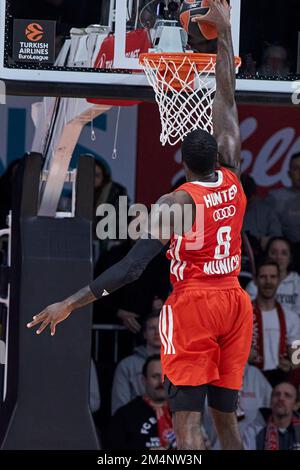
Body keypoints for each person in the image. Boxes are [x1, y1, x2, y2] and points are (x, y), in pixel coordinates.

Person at [27, 0, 252, 450]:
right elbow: (226, 95)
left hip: (196, 307)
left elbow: (130, 269)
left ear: (181, 160)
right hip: (236, 303)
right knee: (226, 421)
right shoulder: (234, 174)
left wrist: (70, 303)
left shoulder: (177, 202)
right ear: (219, 157)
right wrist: (223, 34)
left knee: (187, 425)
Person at [108, 355, 176, 450]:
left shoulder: (183, 412)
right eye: (155, 376)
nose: (161, 381)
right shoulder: (124, 416)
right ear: (143, 380)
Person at [250, 260, 300, 387]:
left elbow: (297, 358)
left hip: (280, 381)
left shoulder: (292, 317)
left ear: (279, 280)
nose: (268, 282)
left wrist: (291, 365)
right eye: (263, 277)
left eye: (273, 277)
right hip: (249, 380)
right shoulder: (242, 315)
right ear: (255, 280)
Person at [111, 312, 161, 415]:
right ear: (145, 334)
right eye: (152, 328)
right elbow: (119, 407)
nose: (157, 332)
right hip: (135, 424)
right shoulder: (126, 365)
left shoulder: (179, 365)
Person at [247, 238, 300, 319]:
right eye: (274, 252)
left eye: (284, 253)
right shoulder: (254, 284)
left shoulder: (297, 283)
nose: (278, 257)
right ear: (267, 255)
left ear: (290, 258)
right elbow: (250, 314)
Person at [243, 382, 300, 450]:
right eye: (277, 394)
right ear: (270, 402)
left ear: (296, 405)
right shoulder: (254, 431)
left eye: (287, 395)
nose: (281, 398)